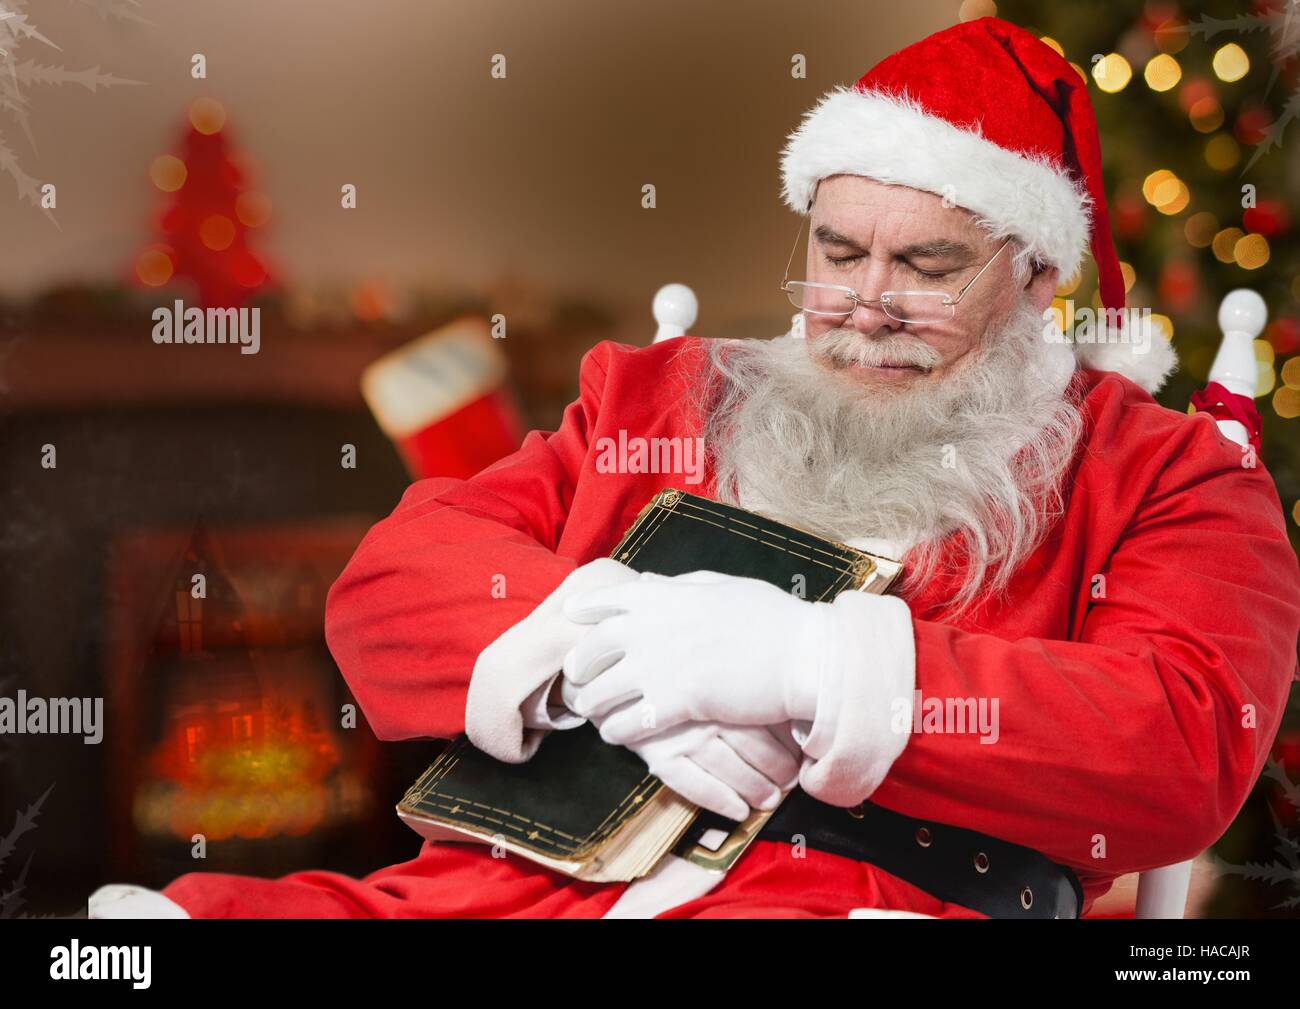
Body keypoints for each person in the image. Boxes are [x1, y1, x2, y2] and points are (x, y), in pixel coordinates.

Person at [90, 16, 1300, 920]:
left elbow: (1185, 741)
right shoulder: (656, 396)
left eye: (927, 267)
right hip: (501, 892)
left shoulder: (1164, 475)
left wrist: (811, 668)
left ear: (1038, 274)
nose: (864, 306)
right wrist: (598, 640)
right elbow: (391, 585)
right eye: (836, 252)